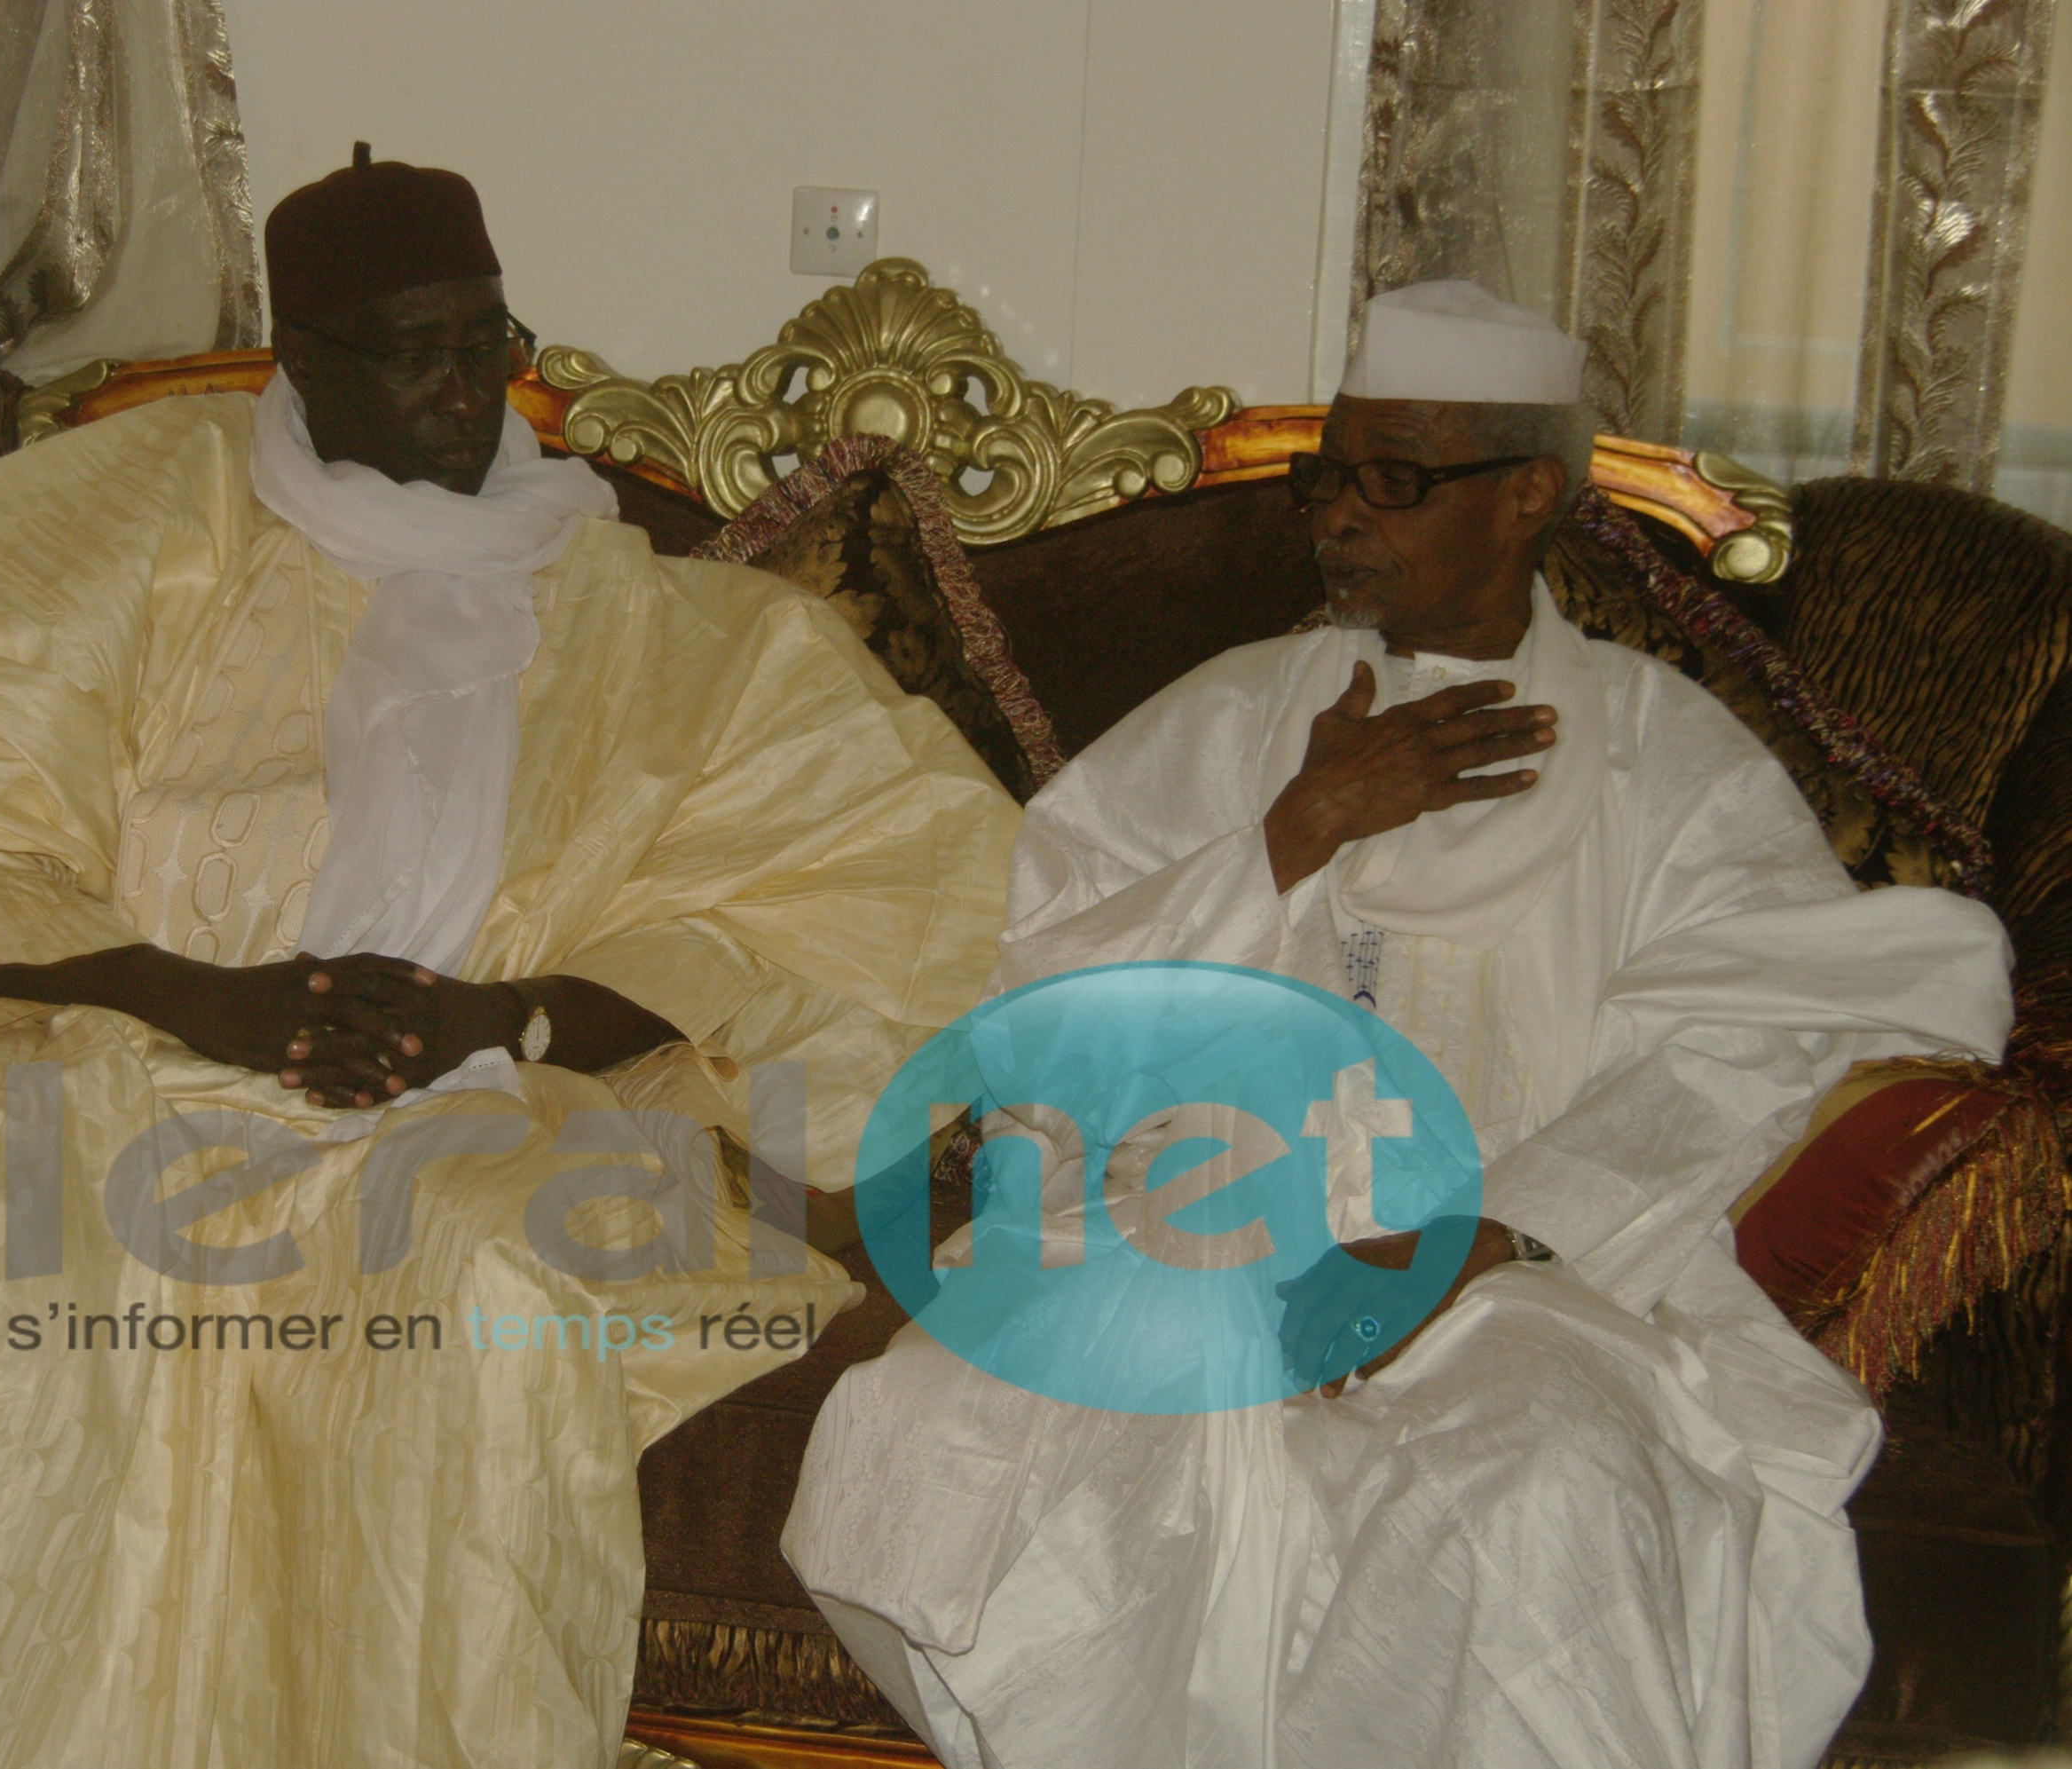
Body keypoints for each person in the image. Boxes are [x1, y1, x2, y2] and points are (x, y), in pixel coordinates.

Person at [0, 147, 1017, 1768]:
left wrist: (505, 1015)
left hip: (473, 1091)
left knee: (469, 1299)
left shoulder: (666, 624)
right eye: (418, 351)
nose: (472, 390)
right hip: (110, 1031)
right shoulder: (150, 511)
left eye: (490, 339)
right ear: (302, 363)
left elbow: (841, 879)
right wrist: (195, 996)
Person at [782, 280, 2014, 1769]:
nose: (1341, 519)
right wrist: (1290, 836)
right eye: (1334, 475)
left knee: (1540, 1488)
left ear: (1529, 498)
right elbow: (1034, 1001)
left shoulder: (1662, 759)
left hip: (1526, 1279)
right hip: (1194, 1237)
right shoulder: (1238, 716)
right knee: (946, 1435)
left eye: (1397, 480)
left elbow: (1762, 1035)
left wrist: (1483, 1236)